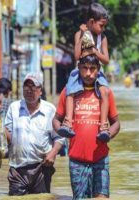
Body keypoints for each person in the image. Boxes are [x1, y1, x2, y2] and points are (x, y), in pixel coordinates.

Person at [53, 55, 120, 199]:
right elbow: (56, 120)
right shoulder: (68, 92)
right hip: (77, 161)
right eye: (84, 68)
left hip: (101, 159)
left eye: (92, 69)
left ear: (99, 70)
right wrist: (61, 131)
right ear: (79, 68)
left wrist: (109, 134)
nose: (88, 73)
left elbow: (116, 123)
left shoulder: (106, 93)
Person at [0, 72, 64, 196]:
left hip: (42, 169)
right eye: (26, 86)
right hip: (17, 170)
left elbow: (59, 138)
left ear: (40, 90)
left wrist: (52, 153)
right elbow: (8, 139)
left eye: (33, 86)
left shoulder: (50, 110)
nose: (29, 90)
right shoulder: (14, 108)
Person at [58, 3, 110, 139]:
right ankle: (68, 122)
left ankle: (103, 125)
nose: (103, 28)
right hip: (79, 71)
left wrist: (94, 51)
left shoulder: (102, 38)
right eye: (101, 25)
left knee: (104, 91)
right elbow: (76, 56)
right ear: (92, 22)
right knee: (70, 90)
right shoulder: (79, 34)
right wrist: (82, 35)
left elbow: (106, 60)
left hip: (97, 71)